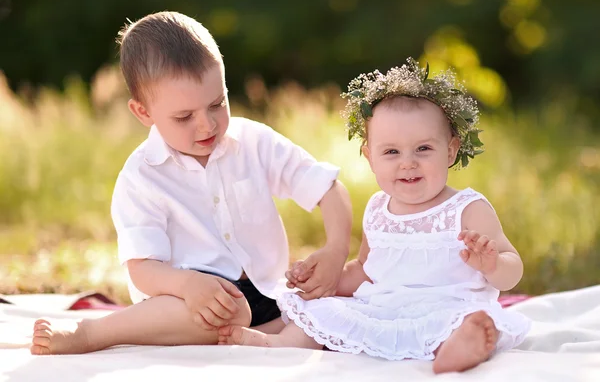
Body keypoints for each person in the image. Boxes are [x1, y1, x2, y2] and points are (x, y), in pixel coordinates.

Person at [29, 11, 352, 355]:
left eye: (217, 104)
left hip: (270, 292)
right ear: (143, 113)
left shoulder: (253, 142)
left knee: (353, 288)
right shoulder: (142, 177)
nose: (207, 125)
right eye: (184, 117)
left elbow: (328, 188)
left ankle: (272, 332)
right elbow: (143, 269)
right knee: (219, 310)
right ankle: (94, 333)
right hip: (186, 301)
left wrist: (335, 250)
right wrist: (188, 285)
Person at [218, 58, 531, 374]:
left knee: (464, 324)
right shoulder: (378, 209)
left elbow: (512, 269)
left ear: (450, 150)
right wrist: (327, 281)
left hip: (447, 309)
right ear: (370, 157)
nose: (407, 163)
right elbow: (366, 270)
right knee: (324, 312)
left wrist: (492, 264)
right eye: (392, 152)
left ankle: (461, 347)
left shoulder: (467, 209)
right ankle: (279, 345)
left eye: (423, 149)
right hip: (385, 310)